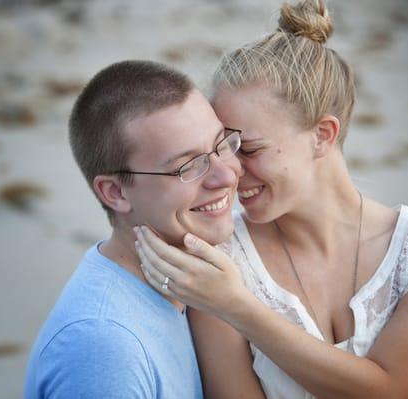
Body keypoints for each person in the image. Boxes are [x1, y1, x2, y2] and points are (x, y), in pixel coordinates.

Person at [135, 1, 408, 398]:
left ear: (323, 135)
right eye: (224, 148)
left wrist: (236, 307)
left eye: (247, 148)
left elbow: (393, 390)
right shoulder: (220, 261)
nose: (230, 172)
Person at [24, 60, 244, 398]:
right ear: (115, 193)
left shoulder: (189, 288)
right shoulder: (105, 347)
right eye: (188, 166)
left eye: (221, 145)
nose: (226, 176)